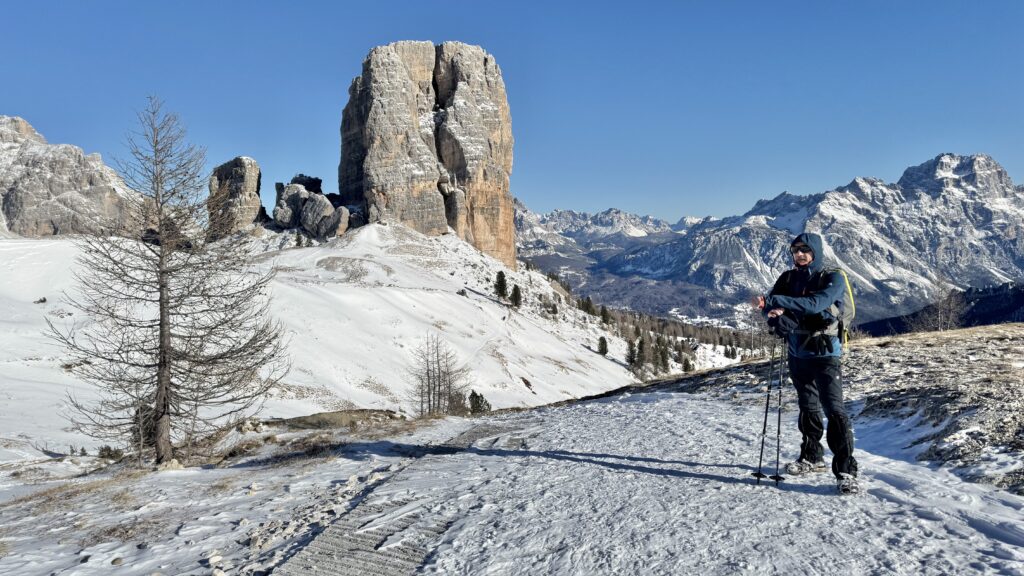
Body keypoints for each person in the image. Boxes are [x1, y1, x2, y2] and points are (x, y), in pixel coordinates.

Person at [752, 232, 860, 495]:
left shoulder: (833, 277)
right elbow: (767, 304)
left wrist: (777, 304)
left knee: (834, 410)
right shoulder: (788, 278)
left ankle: (846, 471)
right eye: (795, 250)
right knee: (807, 406)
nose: (799, 254)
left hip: (825, 353)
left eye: (805, 250)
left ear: (816, 252)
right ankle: (812, 457)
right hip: (797, 352)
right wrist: (774, 315)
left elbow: (816, 303)